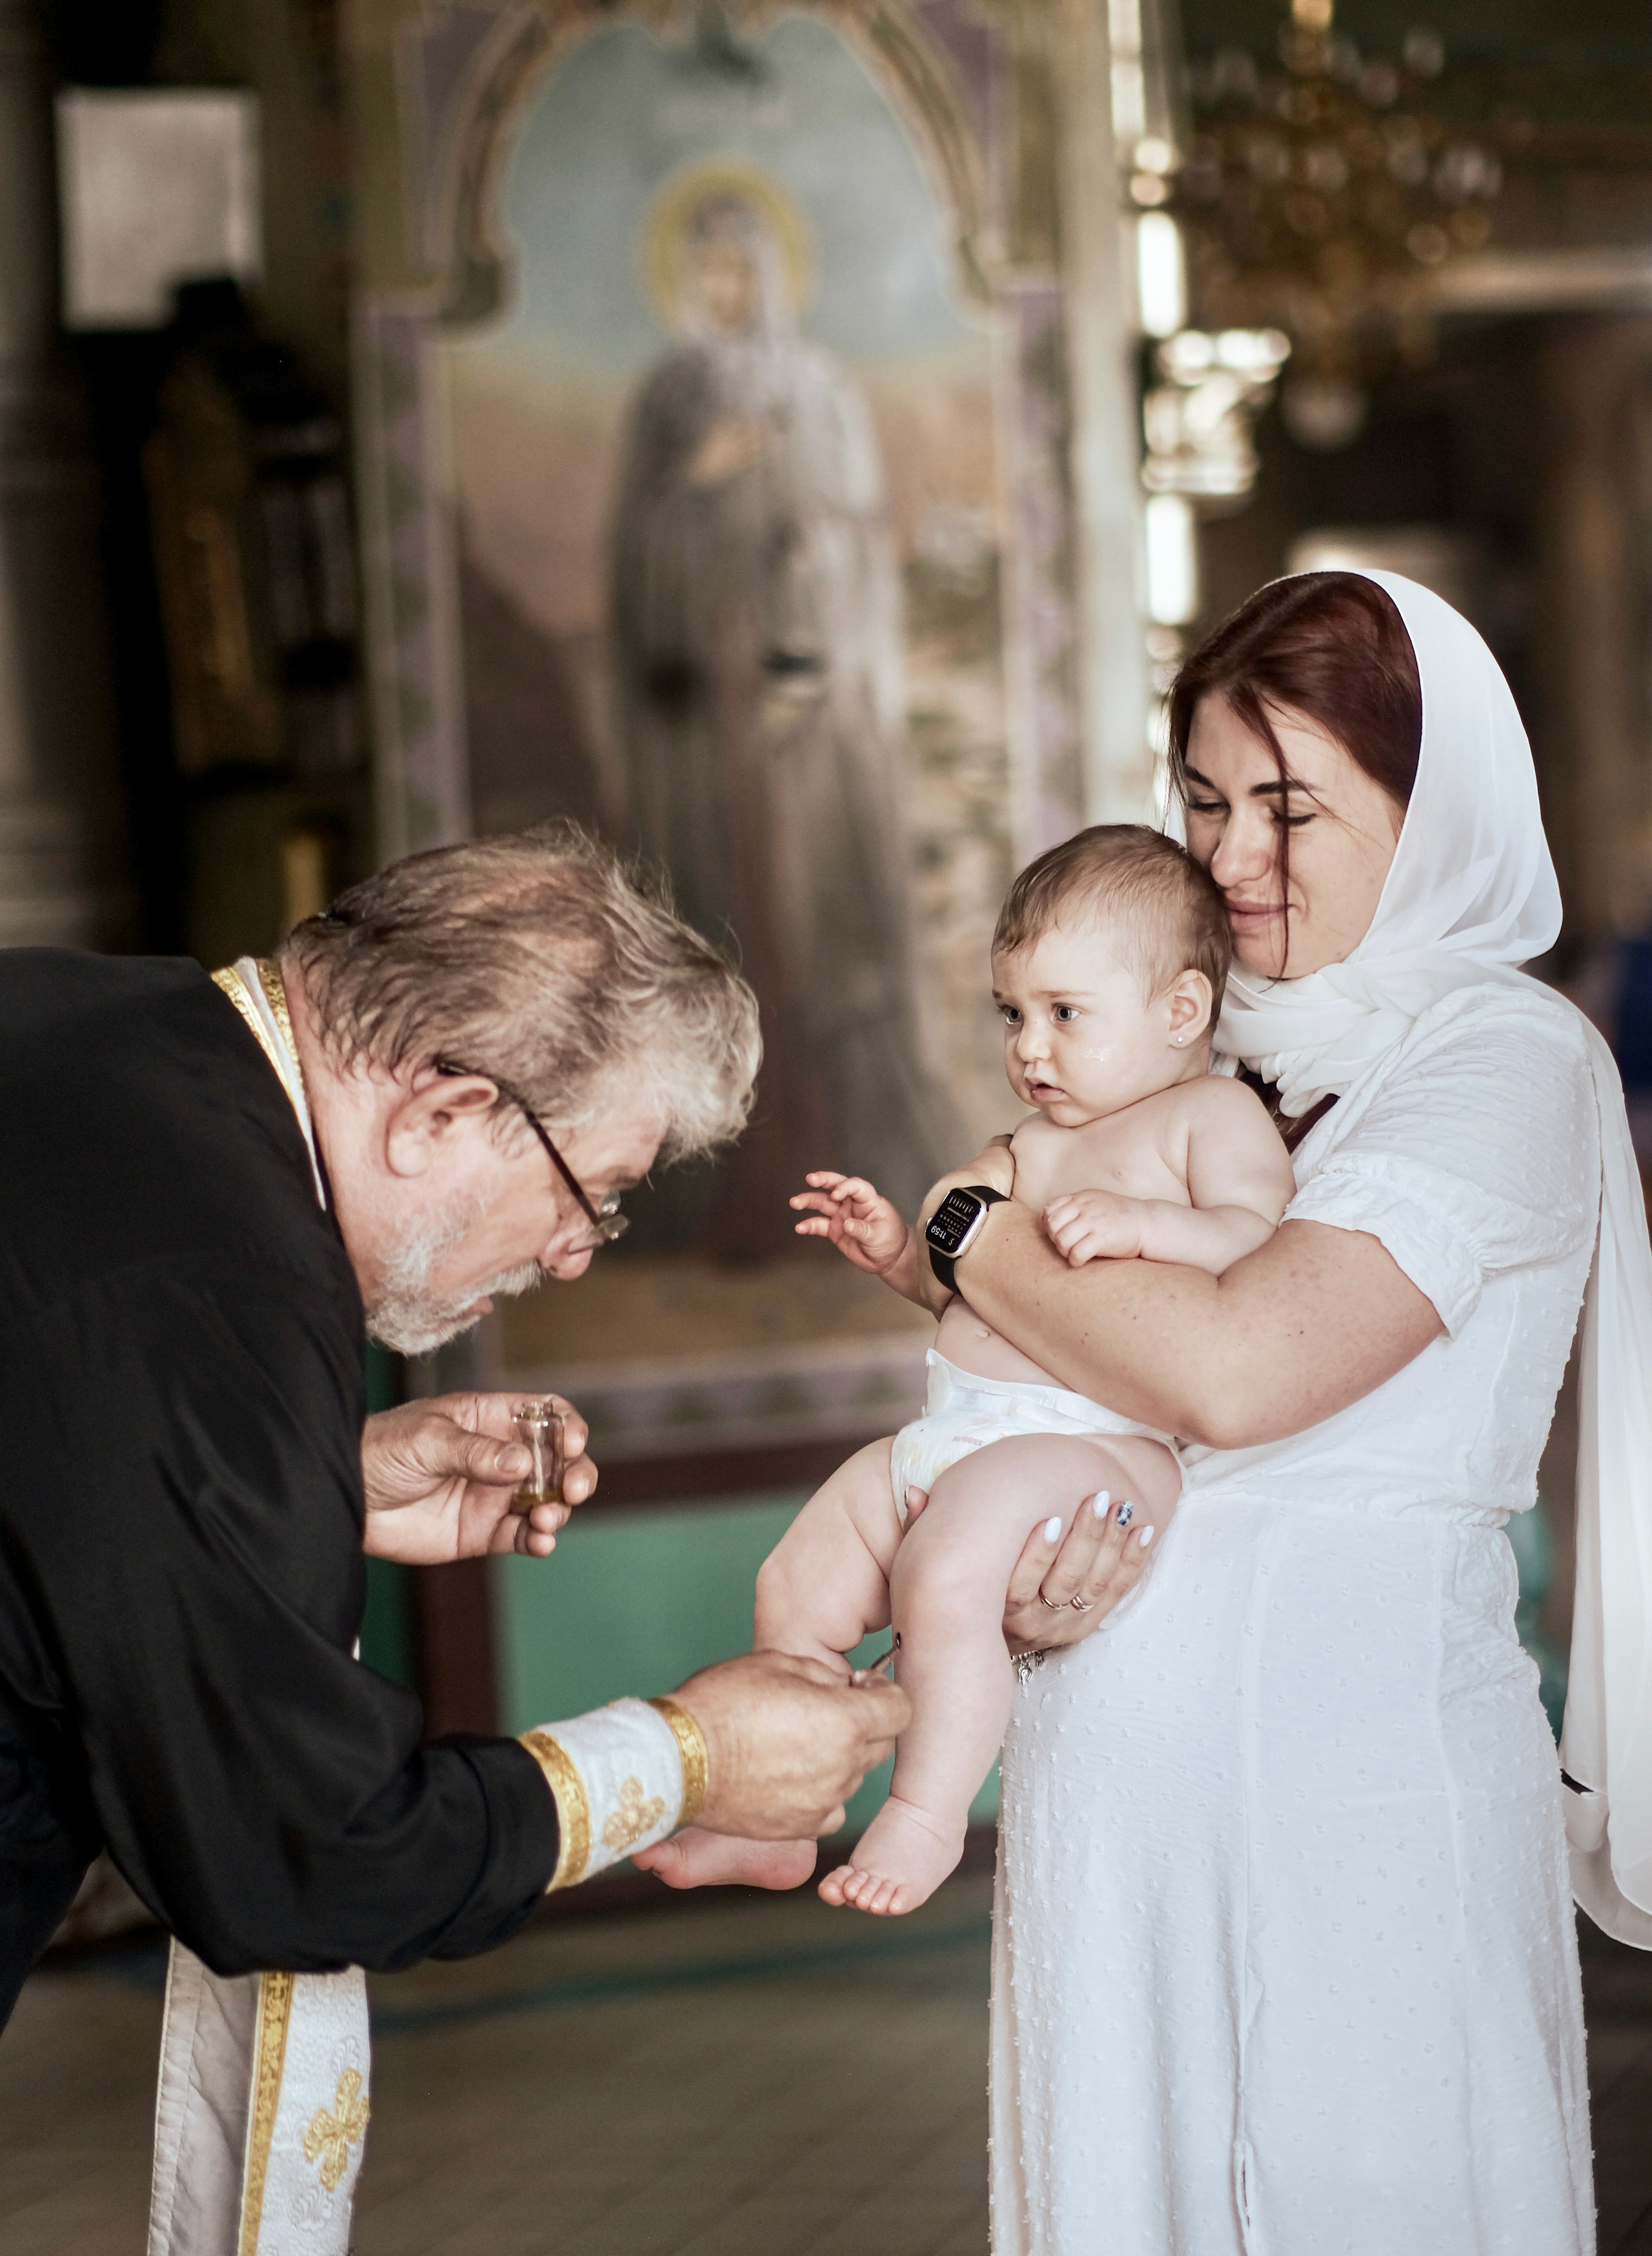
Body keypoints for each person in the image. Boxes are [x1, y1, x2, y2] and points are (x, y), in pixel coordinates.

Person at [0, 822, 907, 2248]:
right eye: (592, 1195)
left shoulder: (89, 1029)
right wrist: (688, 1758)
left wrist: (318, 1485)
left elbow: (55, 1454)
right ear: (440, 1109)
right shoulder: (210, 1284)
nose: (569, 1255)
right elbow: (299, 1857)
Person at [901, 567, 1652, 2255]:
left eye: (1289, 807)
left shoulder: (1504, 1059)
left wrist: (967, 1235)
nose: (1228, 858)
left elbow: (1237, 1366)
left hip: (1357, 1788)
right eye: (1203, 798)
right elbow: (1040, 1317)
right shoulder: (1182, 1025)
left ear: (1427, 802)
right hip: (1113, 1795)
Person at [643, 827, 1293, 1916]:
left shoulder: (1208, 1119)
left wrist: (1144, 1222)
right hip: (961, 1433)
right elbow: (970, 1291)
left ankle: (929, 1817)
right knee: (793, 1581)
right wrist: (901, 1252)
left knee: (943, 1572)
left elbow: (1257, 1241)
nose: (1029, 1047)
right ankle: (774, 1821)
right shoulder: (1028, 1145)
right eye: (1013, 1014)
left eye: (1064, 1013)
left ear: (1181, 1011)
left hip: (1092, 1448)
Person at [610, 183, 958, 1251]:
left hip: (802, 725)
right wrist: (698, 488)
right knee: (725, 922)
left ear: (770, 275)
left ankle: (847, 1170)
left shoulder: (819, 392)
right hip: (708, 727)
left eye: (740, 267)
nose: (725, 287)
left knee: (821, 935)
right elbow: (637, 553)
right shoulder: (669, 398)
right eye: (705, 269)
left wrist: (811, 606)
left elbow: (853, 540)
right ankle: (730, 1196)